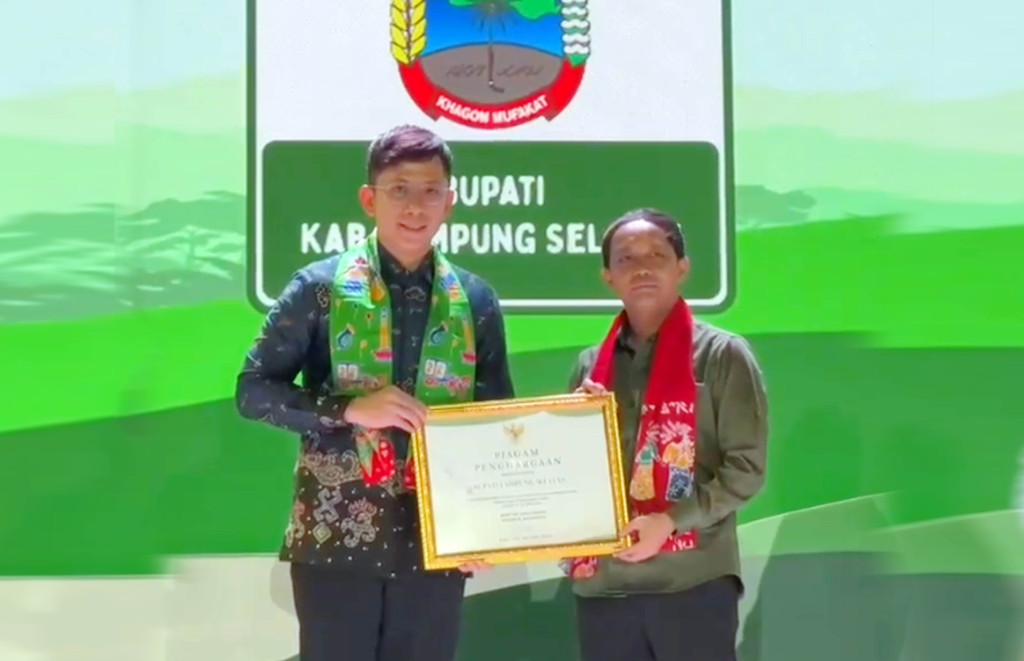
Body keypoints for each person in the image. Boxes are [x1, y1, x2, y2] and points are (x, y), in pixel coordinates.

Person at [235, 125, 513, 661]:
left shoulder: (475, 299)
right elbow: (253, 391)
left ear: (450, 203)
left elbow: (493, 423)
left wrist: (485, 528)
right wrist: (348, 409)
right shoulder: (318, 288)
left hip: (436, 544)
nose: (415, 206)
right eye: (399, 189)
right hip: (335, 539)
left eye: (430, 191)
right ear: (369, 200)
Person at [563, 208, 769, 661]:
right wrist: (572, 427)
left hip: (692, 582)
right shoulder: (589, 367)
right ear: (608, 276)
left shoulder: (722, 355)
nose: (642, 267)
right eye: (626, 258)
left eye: (656, 255)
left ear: (683, 268)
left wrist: (670, 520)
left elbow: (746, 471)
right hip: (605, 586)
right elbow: (570, 476)